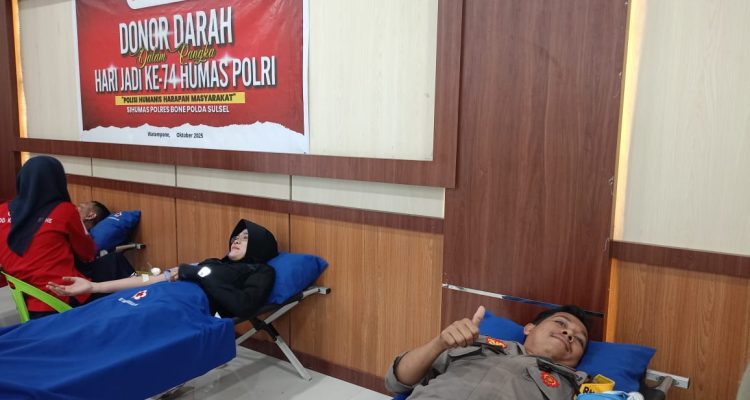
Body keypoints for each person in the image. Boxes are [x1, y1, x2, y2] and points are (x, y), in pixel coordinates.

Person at [47, 219, 277, 318]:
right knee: (93, 314)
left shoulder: (260, 271)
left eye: (245, 238)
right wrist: (94, 287)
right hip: (149, 298)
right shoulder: (211, 263)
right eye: (236, 236)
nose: (236, 240)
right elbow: (150, 280)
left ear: (259, 245)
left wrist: (195, 273)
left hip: (176, 310)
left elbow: (243, 306)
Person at [385, 305, 591, 399]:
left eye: (579, 339)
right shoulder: (474, 341)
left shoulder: (576, 385)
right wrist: (438, 343)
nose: (569, 334)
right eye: (560, 323)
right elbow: (396, 381)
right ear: (529, 328)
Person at [0, 156, 98, 319]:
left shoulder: (2, 211)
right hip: (63, 297)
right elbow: (87, 253)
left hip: (24, 300)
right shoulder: (65, 210)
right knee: (115, 263)